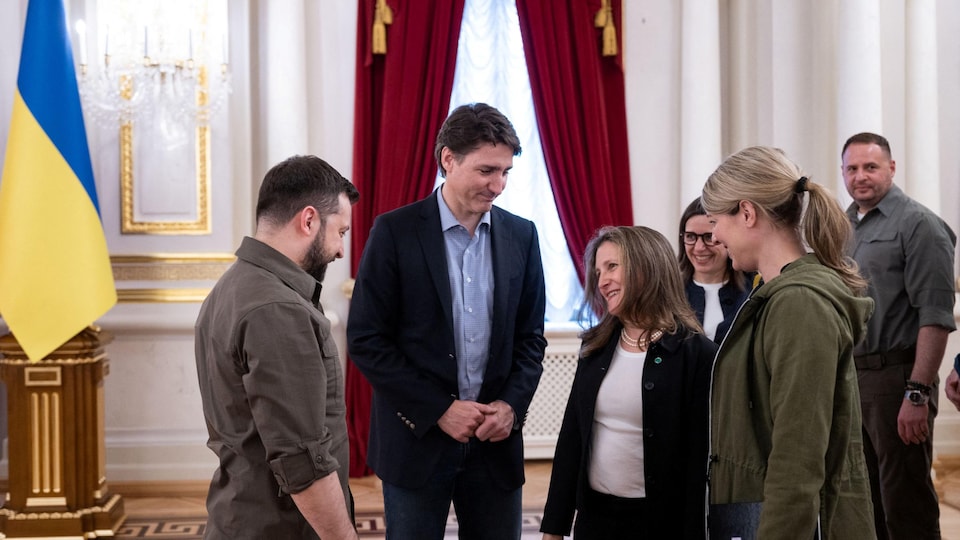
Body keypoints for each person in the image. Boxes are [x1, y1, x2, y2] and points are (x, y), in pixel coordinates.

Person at [347, 103, 547, 539]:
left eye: (506, 172)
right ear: (448, 159)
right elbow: (366, 339)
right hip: (415, 442)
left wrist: (511, 406)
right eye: (486, 171)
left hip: (496, 446)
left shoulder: (523, 236)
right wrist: (439, 410)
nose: (498, 185)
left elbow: (531, 340)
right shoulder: (393, 232)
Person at [703, 146, 876, 539]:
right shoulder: (774, 292)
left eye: (716, 221)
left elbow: (797, 458)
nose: (713, 236)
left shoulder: (799, 303)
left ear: (747, 213)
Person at [195, 155, 360, 539]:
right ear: (308, 220)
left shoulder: (232, 286)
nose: (339, 250)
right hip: (280, 527)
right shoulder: (278, 308)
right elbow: (303, 461)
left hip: (242, 515)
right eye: (341, 232)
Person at [540, 226, 717, 540]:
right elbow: (572, 439)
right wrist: (554, 528)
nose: (602, 280)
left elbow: (698, 461)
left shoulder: (696, 353)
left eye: (612, 267)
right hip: (595, 520)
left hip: (660, 524)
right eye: (598, 271)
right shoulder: (596, 346)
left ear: (646, 268)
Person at [842, 132, 957, 540]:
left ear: (892, 168)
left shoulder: (920, 224)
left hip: (897, 379)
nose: (860, 177)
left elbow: (936, 316)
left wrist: (916, 393)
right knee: (863, 503)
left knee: (904, 505)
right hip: (853, 380)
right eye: (852, 168)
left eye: (870, 167)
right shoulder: (845, 225)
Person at [677, 197, 752, 343]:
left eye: (708, 237)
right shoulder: (669, 294)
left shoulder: (755, 291)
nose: (699, 248)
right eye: (690, 236)